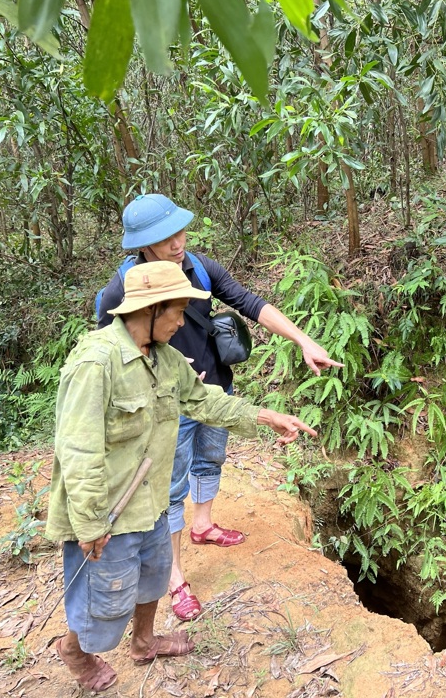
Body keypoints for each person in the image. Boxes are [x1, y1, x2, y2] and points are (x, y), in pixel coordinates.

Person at [48, 261, 316, 693]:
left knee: (154, 576)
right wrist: (90, 521)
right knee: (106, 594)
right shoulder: (96, 363)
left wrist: (264, 416)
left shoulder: (166, 358)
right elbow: (78, 450)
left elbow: (204, 401)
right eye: (177, 312)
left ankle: (144, 641)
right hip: (109, 507)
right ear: (150, 310)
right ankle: (75, 650)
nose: (182, 322)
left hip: (151, 497)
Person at [97, 194, 342, 621]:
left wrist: (303, 340)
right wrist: (159, 362)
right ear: (142, 244)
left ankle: (204, 525)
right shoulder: (124, 287)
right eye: (165, 237)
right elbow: (110, 347)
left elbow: (251, 303)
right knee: (170, 488)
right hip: (169, 406)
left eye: (180, 231)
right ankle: (174, 577)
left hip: (217, 393)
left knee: (211, 460)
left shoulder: (200, 267)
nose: (177, 242)